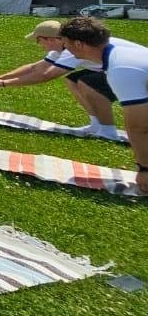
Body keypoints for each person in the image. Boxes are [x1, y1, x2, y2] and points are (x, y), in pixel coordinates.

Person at [0, 20, 119, 137]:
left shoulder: (71, 50)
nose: (39, 45)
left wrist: (5, 83)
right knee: (72, 80)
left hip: (122, 73)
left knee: (86, 83)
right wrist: (1, 77)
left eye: (39, 40)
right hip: (111, 70)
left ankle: (108, 131)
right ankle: (96, 125)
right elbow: (35, 68)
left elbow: (45, 75)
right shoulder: (62, 48)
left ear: (51, 39)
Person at [58, 17, 148, 192]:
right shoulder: (117, 52)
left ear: (79, 44)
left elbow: (138, 127)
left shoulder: (121, 69)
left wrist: (144, 169)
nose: (64, 47)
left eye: (65, 43)